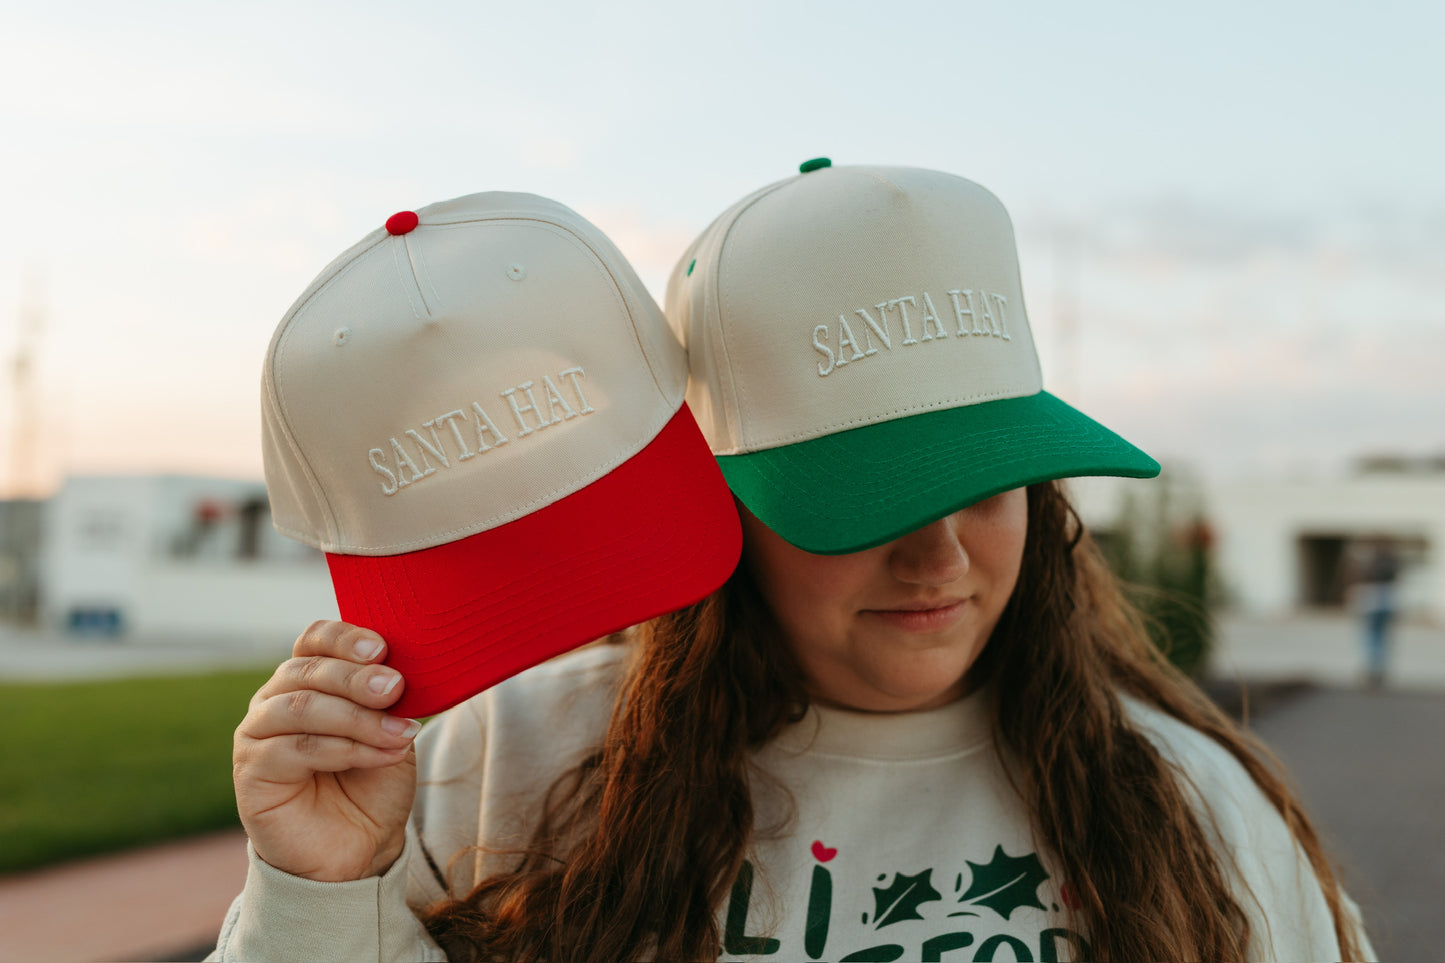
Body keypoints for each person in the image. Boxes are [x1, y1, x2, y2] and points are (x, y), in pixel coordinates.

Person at [211, 163, 1373, 963]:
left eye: (985, 481)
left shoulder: (1186, 796)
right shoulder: (504, 759)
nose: (938, 553)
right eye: (868, 500)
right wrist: (321, 889)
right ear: (723, 498)